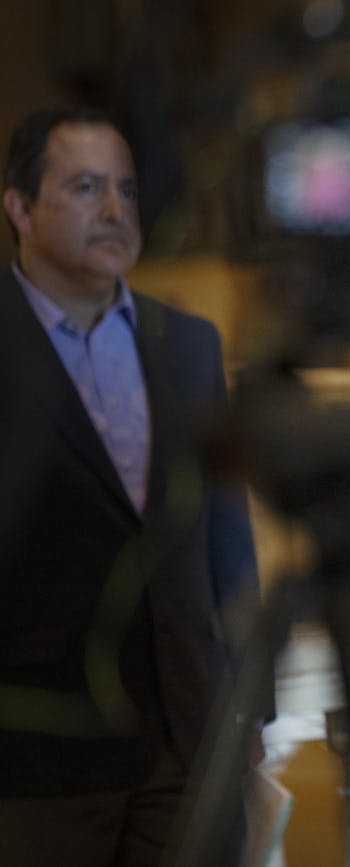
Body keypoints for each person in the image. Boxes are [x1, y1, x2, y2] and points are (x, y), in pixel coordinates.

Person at [0, 107, 261, 865]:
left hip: (189, 741)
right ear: (19, 206)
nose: (115, 210)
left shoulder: (186, 341)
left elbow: (226, 541)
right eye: (86, 187)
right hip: (36, 759)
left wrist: (246, 715)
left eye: (127, 190)